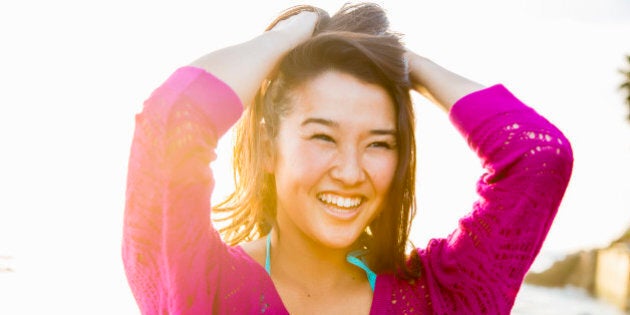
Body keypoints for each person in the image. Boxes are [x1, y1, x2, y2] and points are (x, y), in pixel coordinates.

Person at [123, 3, 573, 314]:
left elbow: (538, 155)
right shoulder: (200, 288)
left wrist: (402, 60)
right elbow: (170, 124)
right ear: (266, 150)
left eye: (379, 143)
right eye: (323, 137)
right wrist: (291, 33)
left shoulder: (440, 299)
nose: (351, 172)